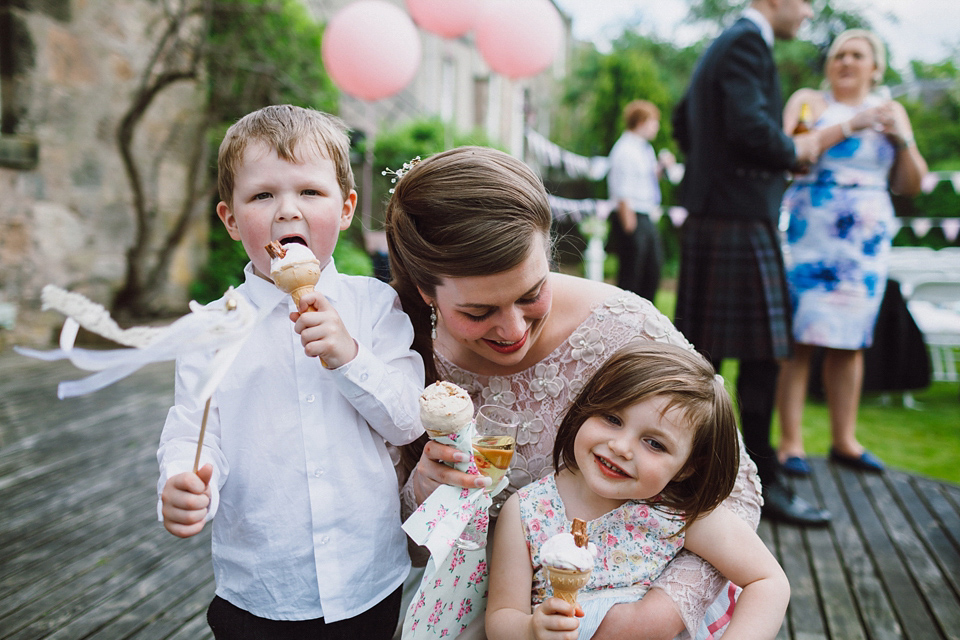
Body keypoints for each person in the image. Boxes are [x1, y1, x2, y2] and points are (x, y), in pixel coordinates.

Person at [386, 146, 763, 639]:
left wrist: (656, 613)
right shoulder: (399, 356)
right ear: (424, 290)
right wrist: (421, 494)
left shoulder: (622, 328)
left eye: (530, 293)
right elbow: (399, 546)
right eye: (479, 312)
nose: (513, 328)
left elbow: (736, 486)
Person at [157, 105, 424, 639]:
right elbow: (195, 426)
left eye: (310, 192)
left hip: (365, 578)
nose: (287, 212)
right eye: (262, 195)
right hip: (261, 586)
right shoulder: (212, 327)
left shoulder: (374, 307)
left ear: (346, 208)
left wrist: (350, 356)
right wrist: (184, 479)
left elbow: (407, 422)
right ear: (231, 219)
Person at [486, 342, 790, 640]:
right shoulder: (526, 512)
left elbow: (769, 581)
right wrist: (530, 629)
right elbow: (502, 617)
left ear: (687, 467)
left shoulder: (676, 511)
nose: (621, 447)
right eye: (612, 419)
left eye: (655, 443)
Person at [671, 0, 830, 526]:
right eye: (804, 2)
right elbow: (749, 127)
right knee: (764, 353)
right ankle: (763, 484)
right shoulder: (746, 42)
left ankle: (690, 473)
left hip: (716, 212)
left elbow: (683, 121)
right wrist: (796, 150)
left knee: (703, 357)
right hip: (737, 216)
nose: (807, 13)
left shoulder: (723, 42)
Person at [775, 29, 928, 476]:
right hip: (810, 231)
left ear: (875, 67)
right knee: (800, 338)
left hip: (864, 241)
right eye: (839, 53)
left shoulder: (891, 111)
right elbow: (792, 158)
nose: (845, 61)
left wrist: (902, 139)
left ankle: (845, 439)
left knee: (851, 340)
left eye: (857, 54)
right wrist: (851, 125)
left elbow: (911, 184)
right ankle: (791, 443)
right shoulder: (809, 103)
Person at [606, 100, 676, 302]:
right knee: (632, 276)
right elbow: (622, 190)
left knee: (651, 271)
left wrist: (662, 168)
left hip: (646, 216)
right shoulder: (624, 149)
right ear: (641, 122)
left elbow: (645, 179)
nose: (657, 126)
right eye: (653, 121)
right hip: (633, 216)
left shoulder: (645, 149)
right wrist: (630, 227)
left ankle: (645, 321)